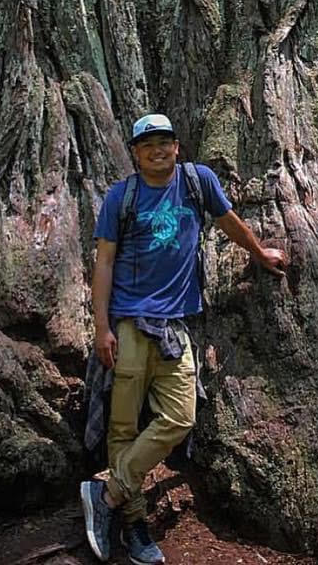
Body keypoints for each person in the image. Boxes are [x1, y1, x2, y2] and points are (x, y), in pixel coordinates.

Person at [80, 113, 288, 564]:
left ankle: (107, 493)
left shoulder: (198, 182)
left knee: (179, 417)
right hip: (130, 324)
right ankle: (134, 527)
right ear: (135, 153)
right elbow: (104, 264)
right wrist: (101, 328)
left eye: (165, 142)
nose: (158, 150)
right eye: (147, 144)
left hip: (175, 326)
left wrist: (259, 253)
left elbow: (228, 221)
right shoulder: (122, 197)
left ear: (177, 146)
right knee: (122, 428)